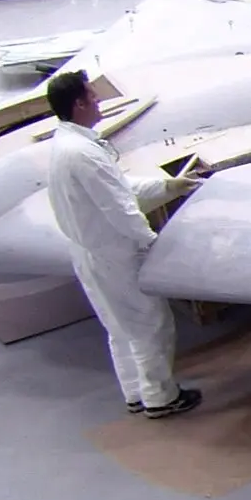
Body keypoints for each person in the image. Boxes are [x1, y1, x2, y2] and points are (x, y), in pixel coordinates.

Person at [44, 70, 202, 418]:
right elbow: (119, 207)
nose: (98, 101)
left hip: (90, 253)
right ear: (79, 103)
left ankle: (136, 393)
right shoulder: (83, 153)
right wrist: (153, 243)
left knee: (120, 328)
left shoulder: (67, 145)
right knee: (149, 325)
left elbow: (117, 189)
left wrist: (167, 186)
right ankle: (161, 398)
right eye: (92, 95)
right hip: (116, 254)